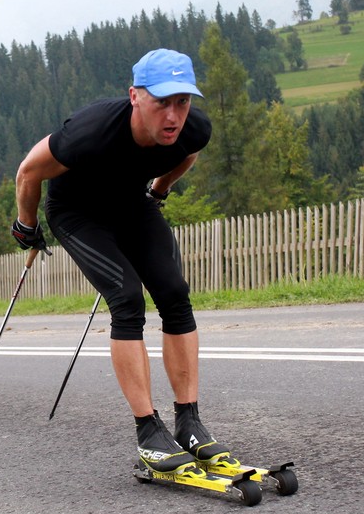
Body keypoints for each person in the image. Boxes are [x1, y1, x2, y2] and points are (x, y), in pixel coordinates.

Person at [13, 49, 234, 476]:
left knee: (174, 294)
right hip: (77, 212)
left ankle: (188, 421)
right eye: (162, 102)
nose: (173, 116)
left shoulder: (192, 130)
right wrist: (25, 224)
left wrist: (159, 188)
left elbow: (188, 153)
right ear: (135, 96)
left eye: (182, 102)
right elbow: (28, 171)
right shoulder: (91, 132)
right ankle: (148, 430)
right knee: (127, 298)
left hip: (130, 203)